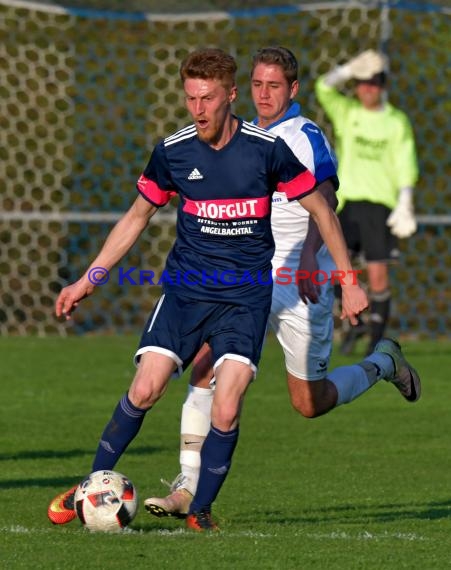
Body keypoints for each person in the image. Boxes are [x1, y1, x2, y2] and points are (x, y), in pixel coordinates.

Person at [47, 47, 369, 532]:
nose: (198, 109)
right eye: (191, 97)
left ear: (229, 96)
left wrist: (347, 280)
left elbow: (323, 208)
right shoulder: (173, 151)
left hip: (245, 297)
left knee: (228, 399)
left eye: (208, 98)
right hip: (187, 292)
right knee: (146, 386)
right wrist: (88, 278)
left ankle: (199, 511)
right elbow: (137, 216)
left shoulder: (267, 148)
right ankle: (92, 483)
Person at [143, 47, 421, 521]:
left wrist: (314, 255)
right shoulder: (236, 135)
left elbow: (326, 200)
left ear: (292, 90)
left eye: (274, 86)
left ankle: (381, 363)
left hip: (297, 277)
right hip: (246, 277)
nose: (264, 94)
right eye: (257, 85)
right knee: (204, 366)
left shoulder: (304, 135)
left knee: (308, 403)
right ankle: (188, 488)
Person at [314, 49, 419, 356]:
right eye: (361, 83)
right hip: (348, 203)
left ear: (382, 86)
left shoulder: (396, 122)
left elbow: (405, 161)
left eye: (372, 83)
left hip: (380, 206)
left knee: (377, 276)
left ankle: (376, 341)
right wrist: (347, 69)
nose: (366, 89)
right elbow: (323, 88)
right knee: (334, 267)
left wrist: (406, 201)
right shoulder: (349, 113)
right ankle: (356, 324)